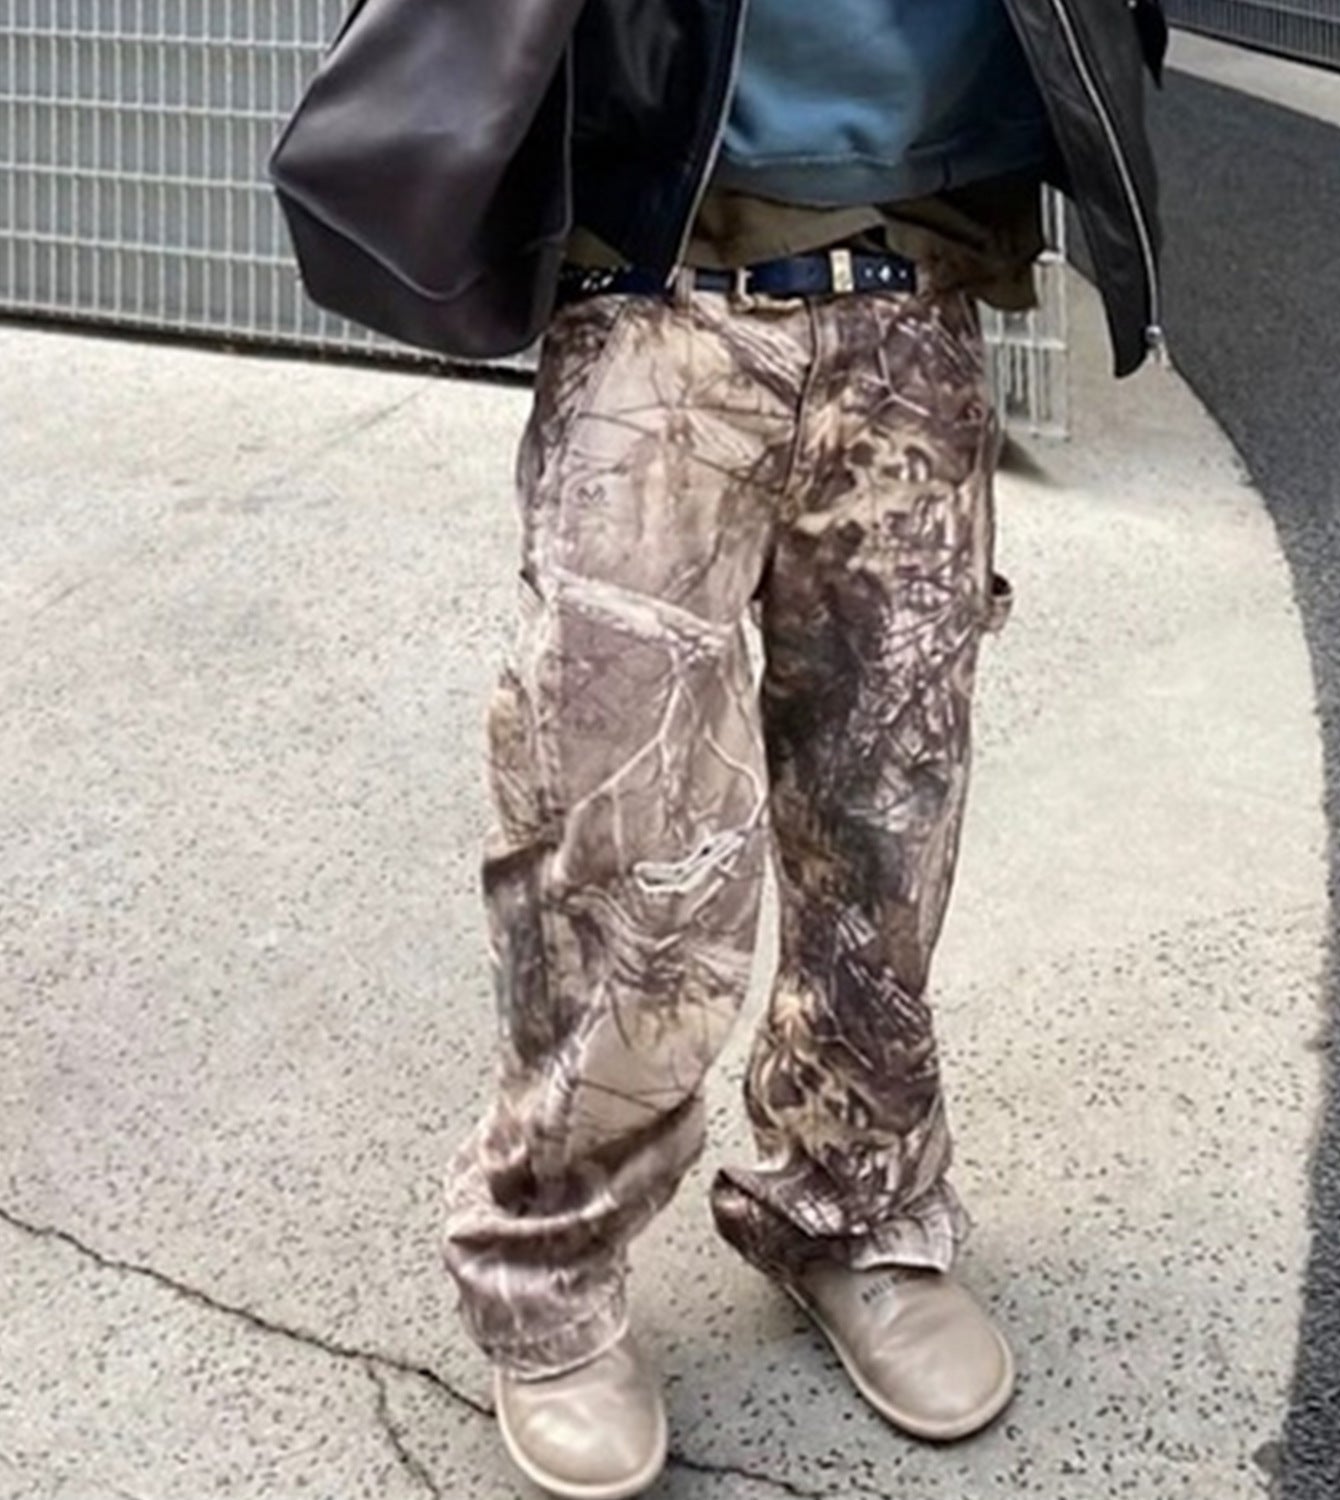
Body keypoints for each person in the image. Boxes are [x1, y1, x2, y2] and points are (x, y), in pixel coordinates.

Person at [437, 2, 1165, 1495]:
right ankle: (552, 1270)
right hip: (653, 294)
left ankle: (854, 1206)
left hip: (912, 294)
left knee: (886, 819)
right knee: (617, 834)